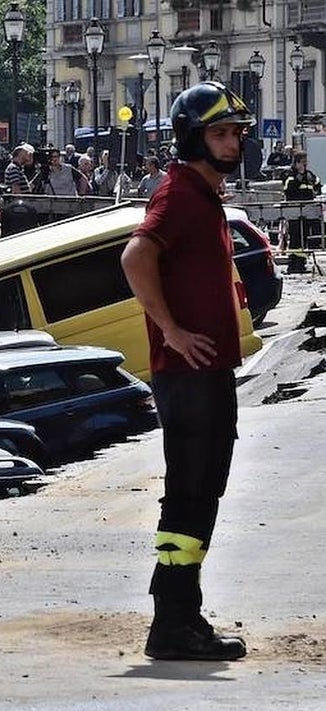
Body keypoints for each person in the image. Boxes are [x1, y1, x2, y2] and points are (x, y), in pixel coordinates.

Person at [119, 80, 254, 662]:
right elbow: (135, 256)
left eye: (236, 134)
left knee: (200, 494)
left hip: (206, 371)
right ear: (193, 138)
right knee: (190, 494)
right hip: (189, 373)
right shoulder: (178, 194)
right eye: (220, 134)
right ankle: (173, 622)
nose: (232, 144)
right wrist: (171, 330)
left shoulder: (204, 195)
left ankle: (180, 613)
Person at [282, 150, 322, 273]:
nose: (305, 165)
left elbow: (318, 185)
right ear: (296, 163)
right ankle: (293, 264)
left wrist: (315, 186)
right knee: (295, 238)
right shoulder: (289, 174)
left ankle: (301, 264)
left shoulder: (309, 175)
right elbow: (288, 188)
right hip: (294, 212)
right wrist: (299, 176)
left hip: (307, 212)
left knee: (304, 238)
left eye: (305, 163)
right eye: (302, 162)